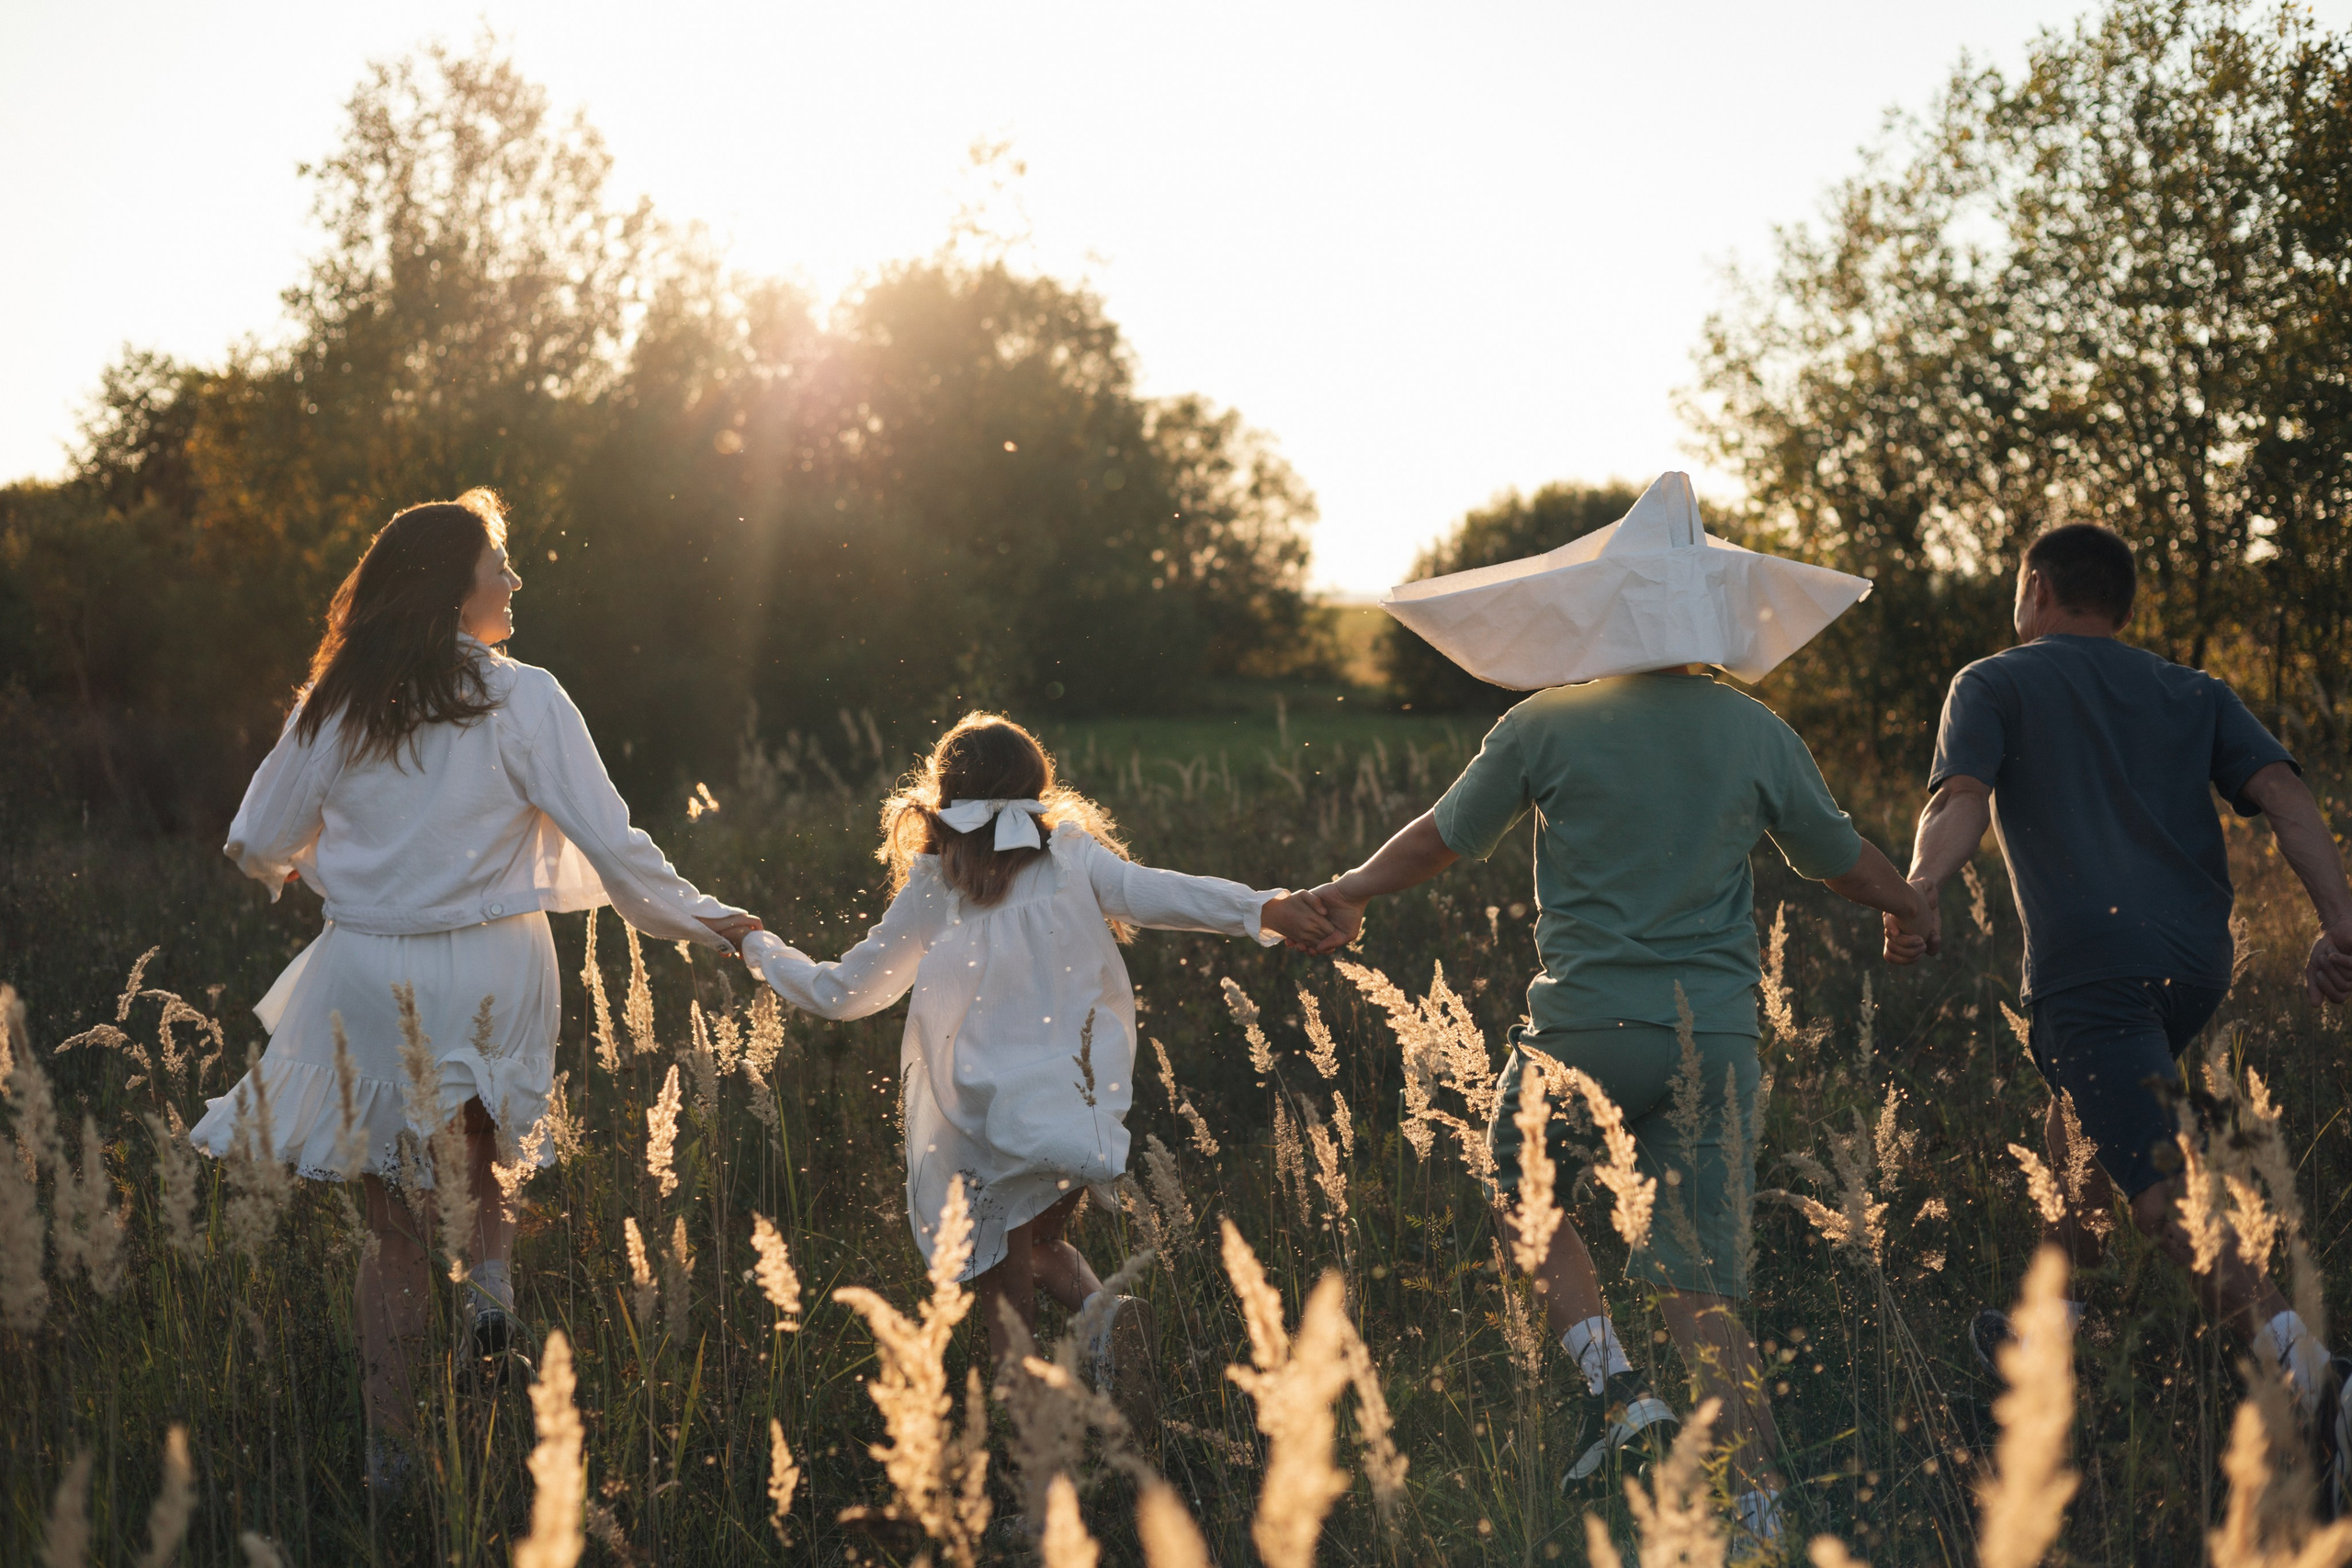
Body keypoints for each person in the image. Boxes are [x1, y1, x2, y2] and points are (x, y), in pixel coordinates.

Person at [1307, 473, 1930, 1547]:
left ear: (1605, 609)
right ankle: (1761, 1516)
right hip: (1714, 1042)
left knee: (1522, 1191)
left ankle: (1619, 1392)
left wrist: (1349, 893)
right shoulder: (1754, 730)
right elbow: (1835, 857)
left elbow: (1440, 838)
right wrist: (1910, 907)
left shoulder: (1546, 724)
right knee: (1703, 1294)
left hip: (1579, 1031)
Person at [195, 489, 762, 1499]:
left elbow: (254, 840)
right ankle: (492, 1291)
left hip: (371, 970)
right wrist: (703, 918)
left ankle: (391, 1451)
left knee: (396, 1228)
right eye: (498, 565)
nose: (512, 581)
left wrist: (322, 870)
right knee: (487, 1154)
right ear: (454, 591)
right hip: (498, 963)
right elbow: (614, 844)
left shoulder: (336, 703)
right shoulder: (526, 695)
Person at [1894, 521, 2352, 1512]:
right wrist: (2340, 922)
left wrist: (1922, 887)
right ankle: (2046, 1322)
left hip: (2089, 972)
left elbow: (1959, 797)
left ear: (2036, 587)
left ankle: (2322, 1388)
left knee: (2158, 1197)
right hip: (2189, 969)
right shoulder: (2193, 691)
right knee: (2086, 1116)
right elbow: (2281, 792)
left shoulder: (1995, 679)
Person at [739, 713, 1331, 1404]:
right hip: (1069, 1112)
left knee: (1006, 1324)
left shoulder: (937, 885)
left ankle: (1029, 1477)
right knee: (1042, 1245)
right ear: (1036, 788)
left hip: (986, 1131)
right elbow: (1159, 891)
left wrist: (757, 947)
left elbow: (845, 990)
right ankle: (1105, 1315)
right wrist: (1265, 907)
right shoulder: (1072, 857)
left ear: (945, 796)